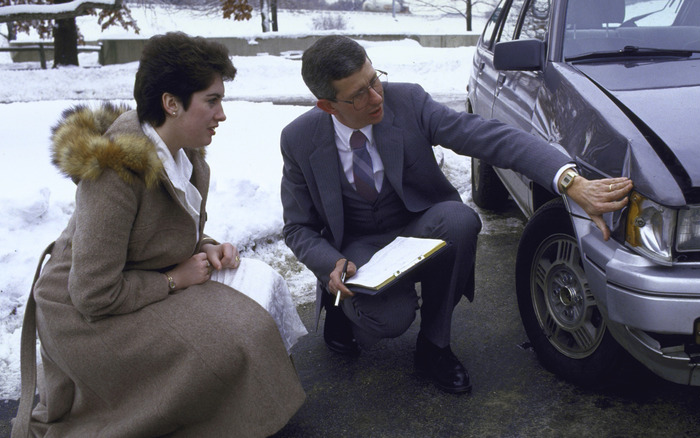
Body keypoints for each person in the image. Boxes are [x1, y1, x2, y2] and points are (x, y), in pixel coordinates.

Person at [280, 35, 632, 394]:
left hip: (415, 226)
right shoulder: (299, 139)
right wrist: (331, 264)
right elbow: (297, 227)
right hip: (357, 247)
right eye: (358, 94)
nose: (376, 97)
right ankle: (342, 311)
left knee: (460, 220)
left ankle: (434, 346)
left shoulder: (408, 101)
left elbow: (485, 135)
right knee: (389, 319)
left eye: (375, 79)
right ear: (327, 106)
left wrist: (568, 180)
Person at [12, 32, 305, 438]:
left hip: (134, 286)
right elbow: (93, 294)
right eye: (212, 100)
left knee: (262, 288)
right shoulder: (115, 173)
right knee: (231, 340)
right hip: (84, 318)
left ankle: (235, 412)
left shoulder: (188, 158)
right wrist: (174, 279)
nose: (222, 115)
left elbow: (160, 234)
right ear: (171, 103)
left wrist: (207, 246)